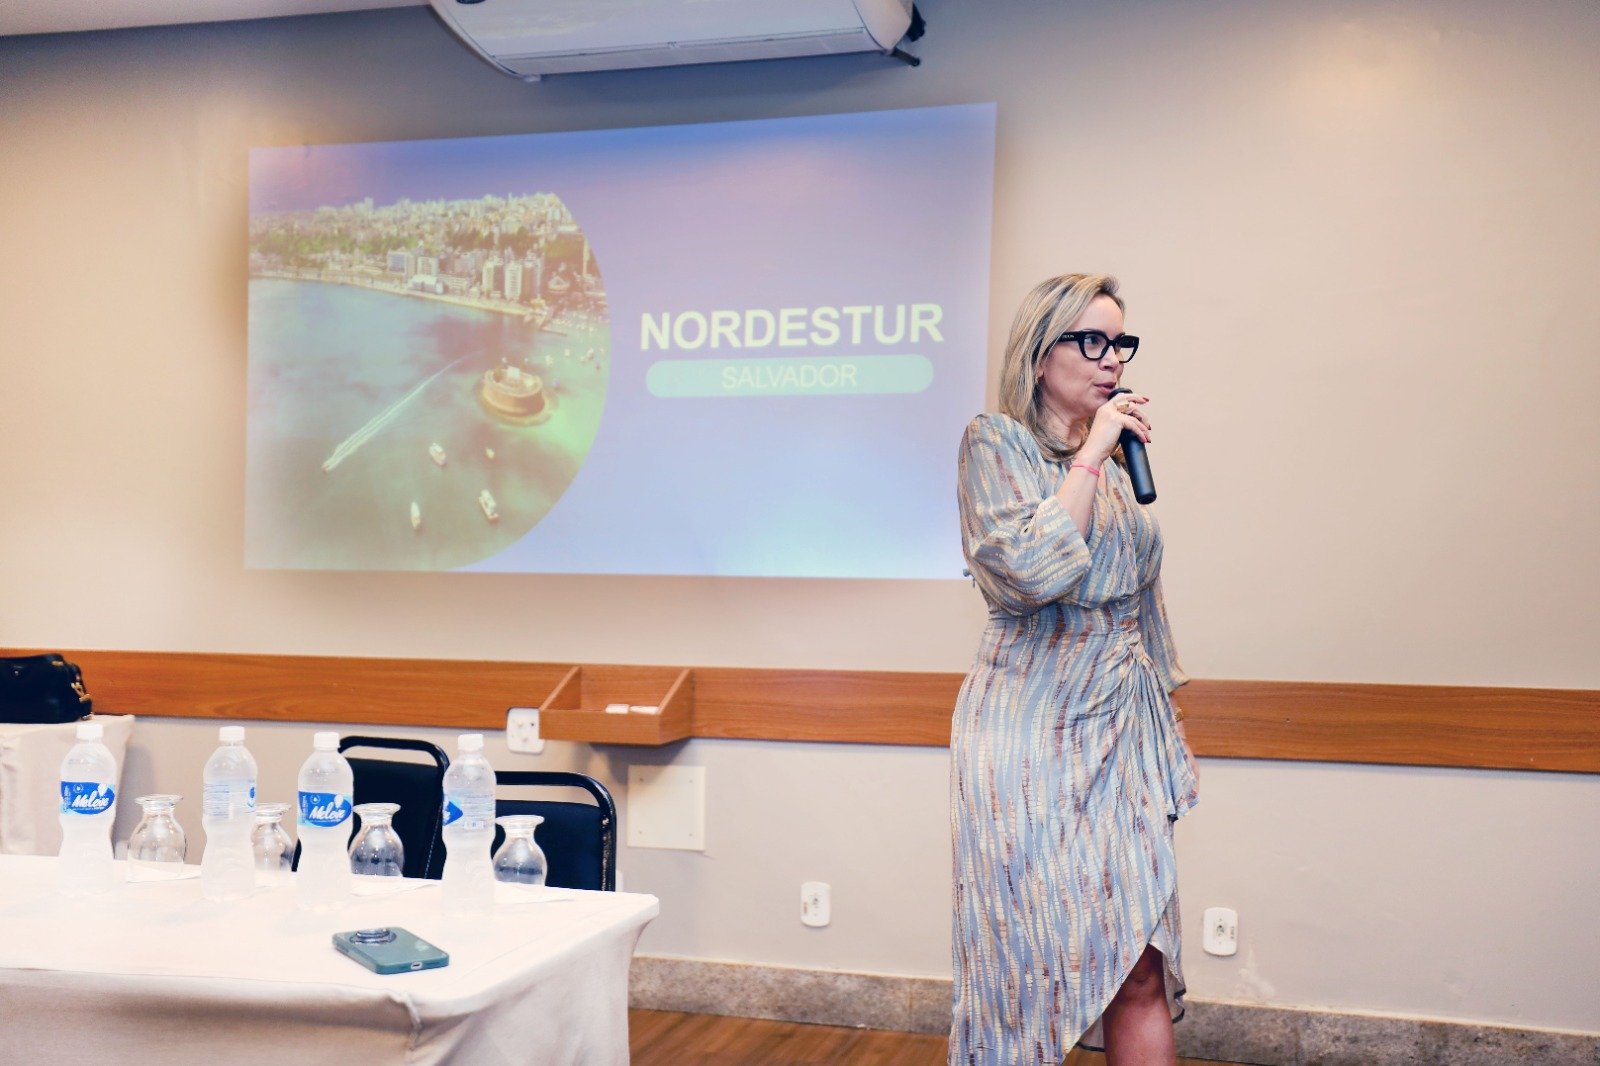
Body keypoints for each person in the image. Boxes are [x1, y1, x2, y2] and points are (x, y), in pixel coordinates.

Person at [950, 273, 1199, 1065]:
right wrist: (1091, 454)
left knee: (1140, 963)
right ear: (1038, 353)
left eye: (1120, 343)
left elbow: (1140, 598)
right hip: (1029, 732)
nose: (1111, 360)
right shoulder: (996, 443)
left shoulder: (1117, 460)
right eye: (1092, 341)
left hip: (1120, 726)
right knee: (1024, 968)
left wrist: (1166, 722)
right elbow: (1028, 574)